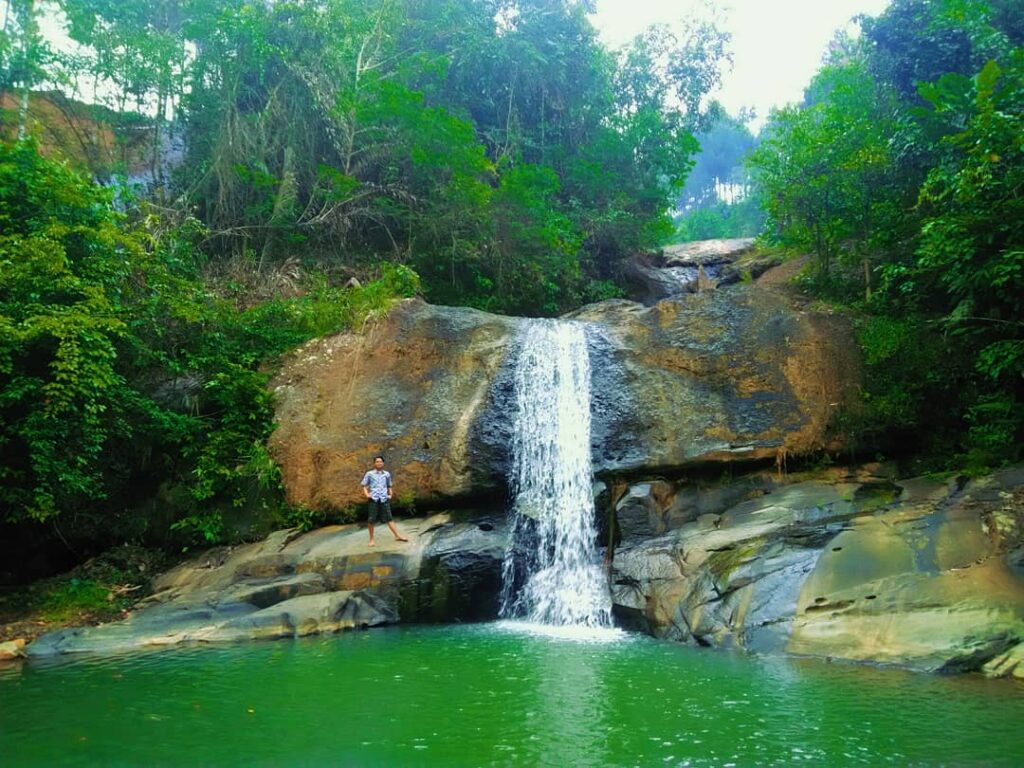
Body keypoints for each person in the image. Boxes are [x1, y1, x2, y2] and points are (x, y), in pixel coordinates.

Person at [360, 455, 409, 546]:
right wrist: (367, 495)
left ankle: (397, 536)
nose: (379, 463)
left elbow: (389, 486)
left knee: (389, 518)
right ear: (374, 463)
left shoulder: (386, 474)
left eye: (380, 462)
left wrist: (390, 494)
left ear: (383, 463)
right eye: (377, 462)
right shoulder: (369, 474)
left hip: (384, 498)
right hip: (373, 498)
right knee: (371, 520)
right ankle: (371, 540)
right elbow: (363, 485)